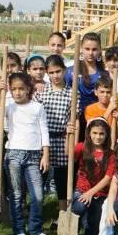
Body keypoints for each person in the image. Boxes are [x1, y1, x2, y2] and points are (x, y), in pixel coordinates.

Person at [0, 72, 50, 235]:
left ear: (28, 89)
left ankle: (35, 228)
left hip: (33, 156)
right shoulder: (9, 107)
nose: (17, 92)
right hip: (14, 154)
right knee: (16, 194)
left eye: (21, 89)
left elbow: (44, 131)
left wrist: (45, 155)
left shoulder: (37, 107)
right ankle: (18, 229)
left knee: (37, 194)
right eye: (14, 89)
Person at [39, 55, 74, 226]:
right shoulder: (42, 93)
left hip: (62, 140)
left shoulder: (71, 94)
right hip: (44, 140)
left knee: (61, 179)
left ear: (64, 70)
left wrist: (69, 141)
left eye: (58, 71)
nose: (55, 75)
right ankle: (38, 213)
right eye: (51, 72)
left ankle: (62, 215)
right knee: (40, 176)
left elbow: (73, 120)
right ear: (47, 73)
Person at [70, 118, 116, 235]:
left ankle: (86, 223)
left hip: (99, 193)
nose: (98, 136)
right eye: (95, 133)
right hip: (82, 190)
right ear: (89, 133)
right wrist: (68, 135)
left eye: (101, 133)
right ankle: (74, 225)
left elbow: (108, 178)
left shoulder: (111, 154)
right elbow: (69, 154)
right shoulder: (81, 147)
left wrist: (91, 193)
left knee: (92, 231)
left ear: (107, 135)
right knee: (80, 207)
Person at [64, 32, 106, 132]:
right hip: (75, 119)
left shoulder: (104, 74)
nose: (90, 53)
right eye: (87, 49)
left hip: (96, 121)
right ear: (81, 49)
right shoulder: (71, 72)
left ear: (100, 50)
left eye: (94, 49)